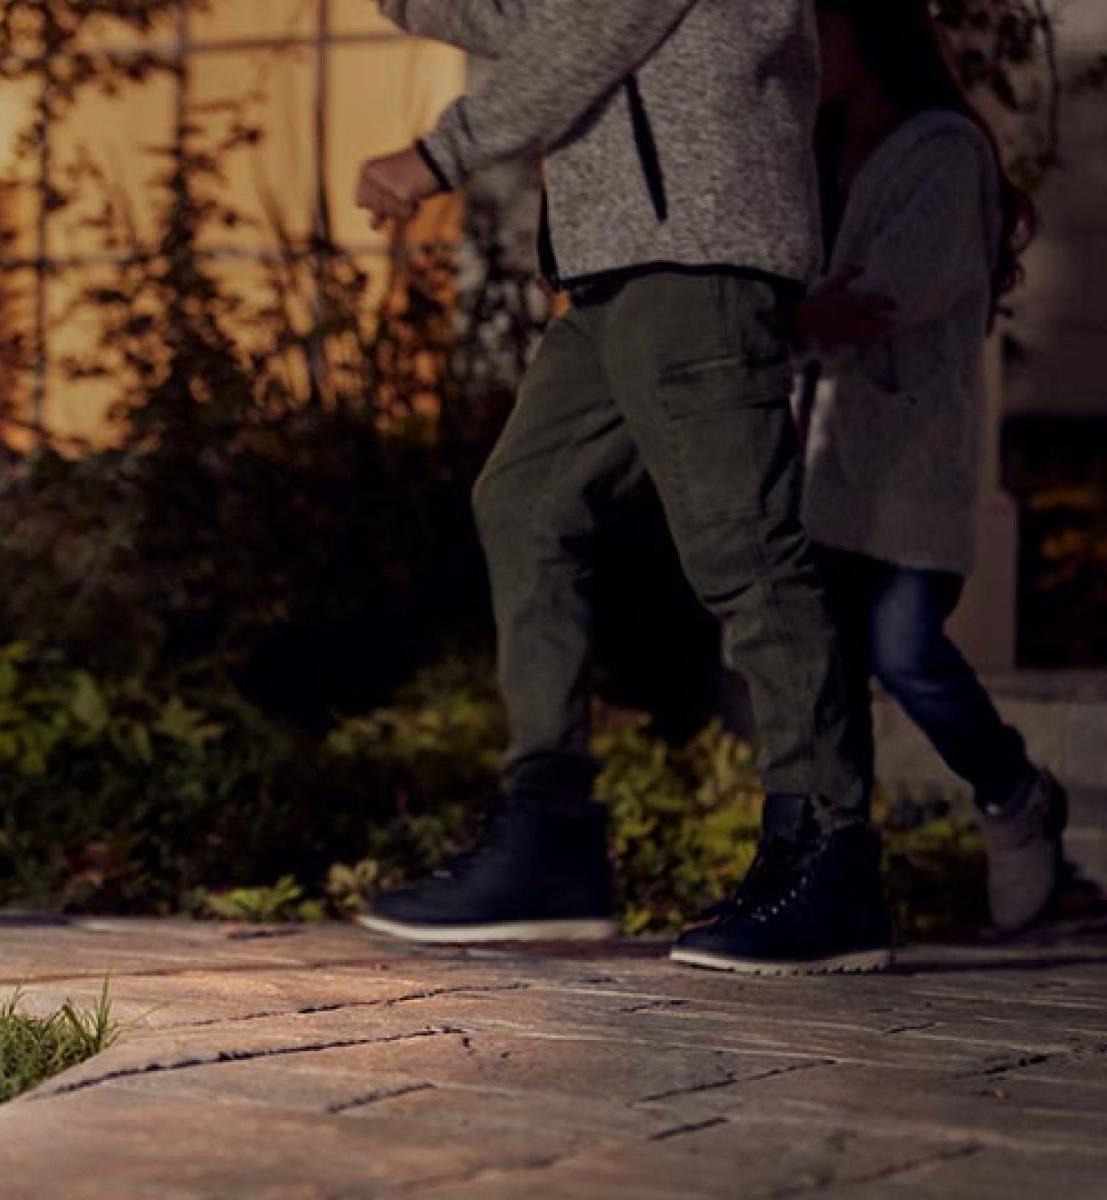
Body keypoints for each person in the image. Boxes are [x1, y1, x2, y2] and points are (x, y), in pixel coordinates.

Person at [355, 0, 892, 974]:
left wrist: (437, 155)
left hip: (694, 251)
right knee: (524, 502)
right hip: (618, 269)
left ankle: (827, 852)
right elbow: (525, 18)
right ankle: (549, 835)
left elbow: (589, 25)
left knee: (743, 544)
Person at [796, 0, 1067, 934]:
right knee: (826, 670)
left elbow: (886, 297)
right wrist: (799, 314)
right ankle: (833, 866)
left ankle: (1014, 793)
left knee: (905, 648)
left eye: (821, 26)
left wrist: (788, 315)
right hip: (818, 455)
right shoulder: (813, 149)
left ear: (869, 33)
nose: (803, 47)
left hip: (912, 456)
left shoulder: (942, 150)